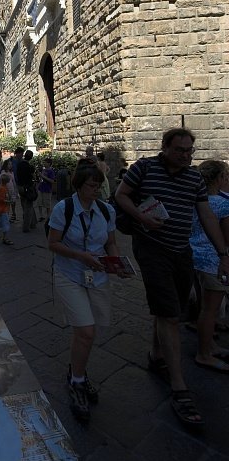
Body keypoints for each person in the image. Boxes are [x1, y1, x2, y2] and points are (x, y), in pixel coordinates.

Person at [114, 127, 229, 427]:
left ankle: (156, 354)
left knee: (172, 310)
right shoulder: (144, 168)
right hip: (152, 250)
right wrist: (142, 218)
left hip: (182, 251)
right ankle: (180, 387)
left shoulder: (194, 178)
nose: (186, 155)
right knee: (169, 316)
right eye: (180, 150)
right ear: (164, 147)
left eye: (190, 150)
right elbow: (121, 195)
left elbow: (206, 215)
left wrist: (223, 254)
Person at [48, 162, 119, 421]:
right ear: (79, 186)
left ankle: (77, 371)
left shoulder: (106, 210)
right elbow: (52, 243)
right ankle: (77, 380)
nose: (96, 190)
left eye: (99, 185)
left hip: (97, 275)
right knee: (86, 331)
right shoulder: (63, 209)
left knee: (87, 332)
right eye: (92, 185)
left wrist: (116, 263)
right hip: (69, 273)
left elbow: (111, 242)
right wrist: (81, 256)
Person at [189, 159, 229, 372]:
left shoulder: (195, 201)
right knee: (210, 310)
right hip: (214, 261)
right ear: (220, 178)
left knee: (203, 307)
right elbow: (227, 237)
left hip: (194, 258)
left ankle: (210, 346)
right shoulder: (223, 204)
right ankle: (204, 354)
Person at [16, 149, 37, 233]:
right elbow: (33, 177)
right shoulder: (30, 167)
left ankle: (33, 222)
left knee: (25, 205)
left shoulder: (19, 165)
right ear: (31, 157)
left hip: (20, 187)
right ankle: (27, 226)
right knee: (29, 206)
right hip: (28, 188)